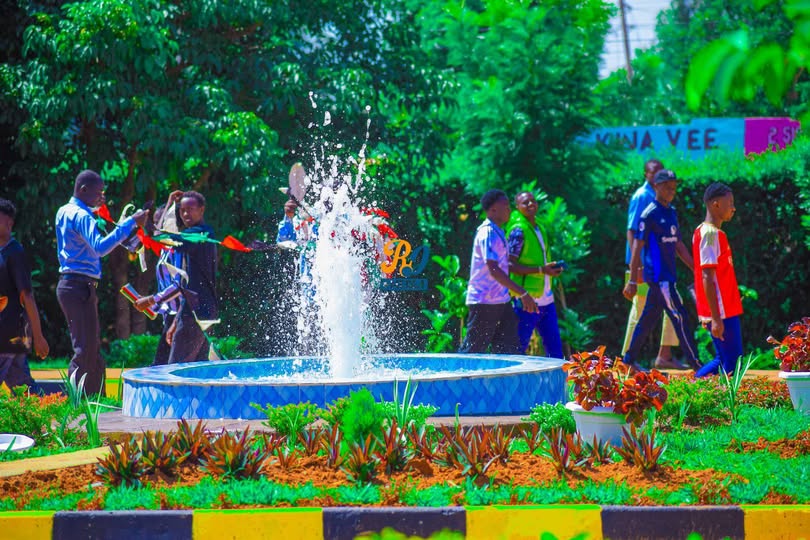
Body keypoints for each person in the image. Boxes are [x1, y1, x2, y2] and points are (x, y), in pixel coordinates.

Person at [56, 170, 148, 396]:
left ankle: (98, 400)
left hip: (73, 285)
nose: (101, 197)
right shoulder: (82, 215)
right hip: (79, 285)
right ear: (83, 190)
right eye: (98, 193)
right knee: (84, 350)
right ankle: (76, 402)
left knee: (92, 350)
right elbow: (99, 248)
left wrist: (95, 208)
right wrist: (129, 223)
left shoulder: (65, 211)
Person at [622, 169, 700, 371]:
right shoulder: (649, 214)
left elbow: (678, 245)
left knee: (647, 320)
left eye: (674, 186)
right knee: (680, 317)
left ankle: (628, 361)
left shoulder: (671, 212)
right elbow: (637, 247)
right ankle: (697, 364)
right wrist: (632, 279)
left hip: (668, 278)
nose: (672, 190)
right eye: (667, 186)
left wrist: (696, 269)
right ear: (656, 186)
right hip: (659, 279)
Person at [136, 191, 217, 364]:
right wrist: (176, 321)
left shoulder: (199, 235)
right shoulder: (191, 238)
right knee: (195, 368)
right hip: (192, 309)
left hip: (197, 311)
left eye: (191, 209)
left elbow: (161, 237)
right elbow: (187, 285)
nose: (186, 214)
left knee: (175, 369)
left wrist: (147, 226)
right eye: (182, 210)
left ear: (201, 210)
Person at [459, 189, 537, 354]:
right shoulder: (487, 232)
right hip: (484, 302)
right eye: (506, 206)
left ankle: (504, 380)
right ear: (493, 209)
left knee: (509, 349)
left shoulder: (498, 231)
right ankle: (454, 379)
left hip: (500, 301)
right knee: (473, 352)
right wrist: (522, 292)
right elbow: (493, 269)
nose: (509, 209)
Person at [693, 183, 743, 377]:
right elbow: (706, 276)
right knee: (730, 363)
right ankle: (690, 391)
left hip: (725, 309)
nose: (733, 207)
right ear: (715, 204)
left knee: (728, 361)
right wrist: (715, 317)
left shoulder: (708, 232)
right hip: (722, 311)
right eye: (729, 202)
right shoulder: (710, 234)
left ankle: (694, 392)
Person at [506, 191, 565, 358]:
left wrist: (551, 270)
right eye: (525, 203)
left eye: (533, 201)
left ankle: (555, 384)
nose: (531, 204)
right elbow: (510, 265)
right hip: (527, 300)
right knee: (518, 350)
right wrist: (541, 270)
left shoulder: (539, 227)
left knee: (555, 354)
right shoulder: (518, 231)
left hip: (546, 298)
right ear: (517, 207)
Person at [0, 198, 48, 394]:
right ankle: (42, 419)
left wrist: (39, 337)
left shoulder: (15, 253)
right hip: (10, 336)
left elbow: (27, 298)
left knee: (22, 385)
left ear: (9, 223)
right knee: (23, 387)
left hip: (8, 333)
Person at [137, 192, 184, 366]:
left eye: (160, 220)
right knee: (165, 365)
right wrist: (155, 306)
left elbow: (179, 285)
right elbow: (156, 231)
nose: (156, 225)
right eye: (155, 220)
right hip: (170, 315)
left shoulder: (177, 249)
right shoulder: (164, 249)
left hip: (181, 315)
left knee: (162, 365)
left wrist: (151, 300)